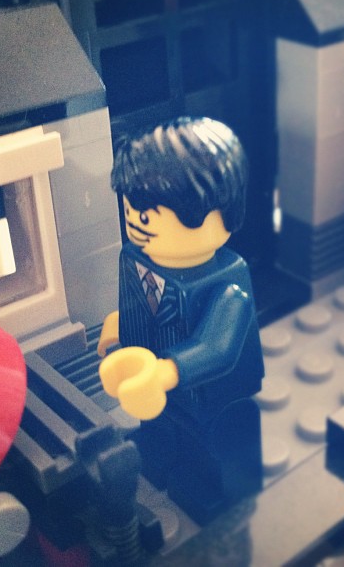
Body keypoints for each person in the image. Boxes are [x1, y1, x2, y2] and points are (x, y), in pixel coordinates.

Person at [97, 117, 264, 523]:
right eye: (130, 208)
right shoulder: (136, 261)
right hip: (158, 388)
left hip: (213, 394)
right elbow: (136, 307)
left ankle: (214, 490)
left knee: (216, 449)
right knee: (159, 432)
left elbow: (217, 347)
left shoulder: (227, 282)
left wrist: (165, 372)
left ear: (217, 215)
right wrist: (117, 331)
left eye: (148, 215)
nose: (135, 221)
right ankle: (161, 462)